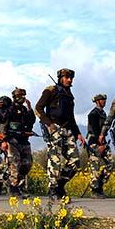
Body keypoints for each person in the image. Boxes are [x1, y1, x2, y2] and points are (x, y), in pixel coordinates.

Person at [35, 69, 84, 200]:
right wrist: (49, 124)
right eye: (67, 77)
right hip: (54, 128)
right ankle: (53, 190)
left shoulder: (69, 95)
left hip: (68, 130)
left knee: (75, 162)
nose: (69, 80)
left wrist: (78, 133)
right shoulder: (51, 90)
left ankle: (60, 185)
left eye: (71, 78)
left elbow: (71, 116)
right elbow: (38, 108)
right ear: (60, 78)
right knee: (55, 159)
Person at [0, 88, 36, 198]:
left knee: (27, 164)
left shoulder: (24, 109)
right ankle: (13, 187)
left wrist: (30, 108)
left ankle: (18, 185)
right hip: (12, 141)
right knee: (14, 164)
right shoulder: (10, 109)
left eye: (24, 95)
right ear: (15, 97)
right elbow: (3, 125)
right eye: (20, 95)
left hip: (24, 140)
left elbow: (31, 120)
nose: (22, 98)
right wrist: (3, 141)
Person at [86, 94, 115, 199]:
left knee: (111, 164)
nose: (104, 102)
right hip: (94, 143)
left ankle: (100, 185)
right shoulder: (93, 114)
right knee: (95, 167)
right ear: (97, 101)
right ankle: (94, 190)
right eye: (102, 100)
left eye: (104, 100)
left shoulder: (103, 113)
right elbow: (94, 130)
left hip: (103, 142)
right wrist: (99, 144)